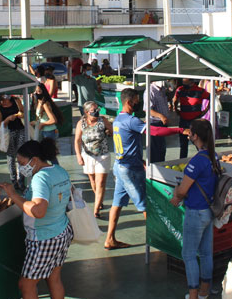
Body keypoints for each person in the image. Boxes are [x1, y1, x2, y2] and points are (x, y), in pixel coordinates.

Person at [0, 139, 73, 299]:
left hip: (44, 238)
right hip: (61, 231)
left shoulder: (40, 178)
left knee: (27, 285)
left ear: (35, 160)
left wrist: (13, 195)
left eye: (23, 163)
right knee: (54, 278)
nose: (21, 167)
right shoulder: (59, 170)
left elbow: (38, 211)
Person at [105, 88, 187, 249]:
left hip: (120, 166)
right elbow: (154, 131)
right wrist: (180, 130)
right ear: (129, 102)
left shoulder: (118, 120)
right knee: (145, 205)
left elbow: (126, 144)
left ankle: (110, 238)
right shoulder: (132, 120)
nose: (139, 103)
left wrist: (139, 159)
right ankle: (162, 237)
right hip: (130, 170)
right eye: (136, 100)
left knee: (117, 203)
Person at [169, 119, 218, 299]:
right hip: (208, 212)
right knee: (206, 254)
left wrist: (176, 196)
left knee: (189, 254)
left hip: (195, 212)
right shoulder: (213, 158)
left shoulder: (197, 161)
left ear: (195, 136)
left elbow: (183, 189)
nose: (188, 136)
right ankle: (204, 295)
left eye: (190, 133)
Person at [74, 101, 112, 218]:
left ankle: (96, 210)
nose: (96, 112)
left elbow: (113, 132)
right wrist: (78, 156)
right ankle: (99, 200)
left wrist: (109, 131)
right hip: (88, 155)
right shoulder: (81, 123)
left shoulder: (103, 121)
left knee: (100, 182)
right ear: (86, 112)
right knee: (93, 181)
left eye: (97, 109)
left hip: (102, 155)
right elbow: (77, 140)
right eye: (93, 110)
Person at [0, 94, 27, 191]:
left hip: (20, 129)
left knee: (22, 154)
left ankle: (21, 180)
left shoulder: (16, 100)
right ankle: (14, 180)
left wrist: (21, 114)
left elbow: (23, 112)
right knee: (11, 156)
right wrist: (8, 119)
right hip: (9, 133)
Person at [172, 79, 210, 159]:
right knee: (183, 144)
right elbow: (175, 99)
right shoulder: (180, 89)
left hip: (195, 121)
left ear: (192, 83)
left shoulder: (200, 91)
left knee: (199, 143)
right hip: (183, 120)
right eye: (183, 83)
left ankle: (204, 159)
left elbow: (211, 97)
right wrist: (175, 109)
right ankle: (182, 160)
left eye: (186, 84)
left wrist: (205, 111)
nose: (184, 86)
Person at [145, 80, 171, 163]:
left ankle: (161, 165)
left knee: (161, 149)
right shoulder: (150, 91)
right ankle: (154, 170)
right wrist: (161, 116)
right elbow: (148, 110)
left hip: (162, 124)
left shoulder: (162, 89)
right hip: (154, 124)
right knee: (155, 150)